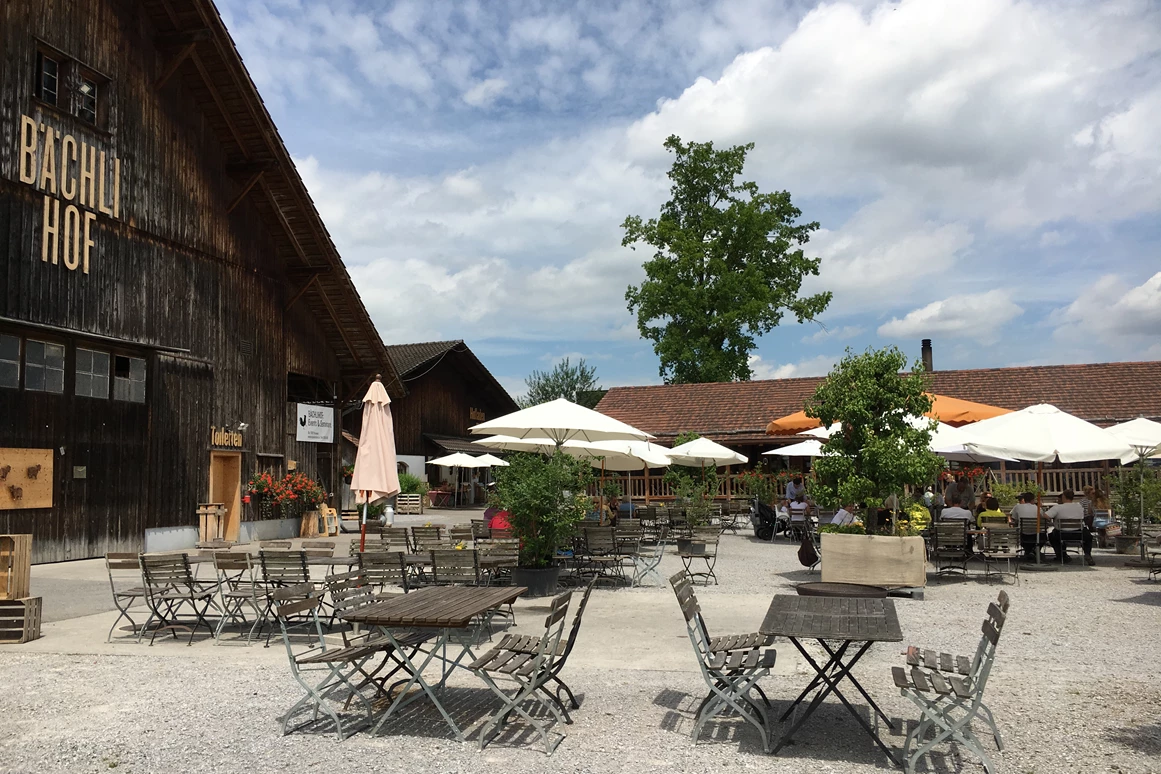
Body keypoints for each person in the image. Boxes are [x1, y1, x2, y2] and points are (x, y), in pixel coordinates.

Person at [1047, 489, 1094, 565]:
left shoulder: (1058, 507)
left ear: (1063, 497)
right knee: (1089, 537)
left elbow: (1046, 516)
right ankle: (1087, 553)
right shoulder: (1079, 507)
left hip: (1062, 534)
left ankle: (1062, 556)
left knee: (1051, 536)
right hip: (1078, 534)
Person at [1010, 492, 1042, 560]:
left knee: (1022, 533)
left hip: (1022, 534)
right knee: (1043, 535)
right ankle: (1033, 551)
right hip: (1036, 534)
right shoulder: (1037, 508)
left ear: (1024, 499)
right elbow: (1043, 518)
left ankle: (1029, 551)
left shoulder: (1017, 507)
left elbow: (1014, 519)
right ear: (1033, 500)